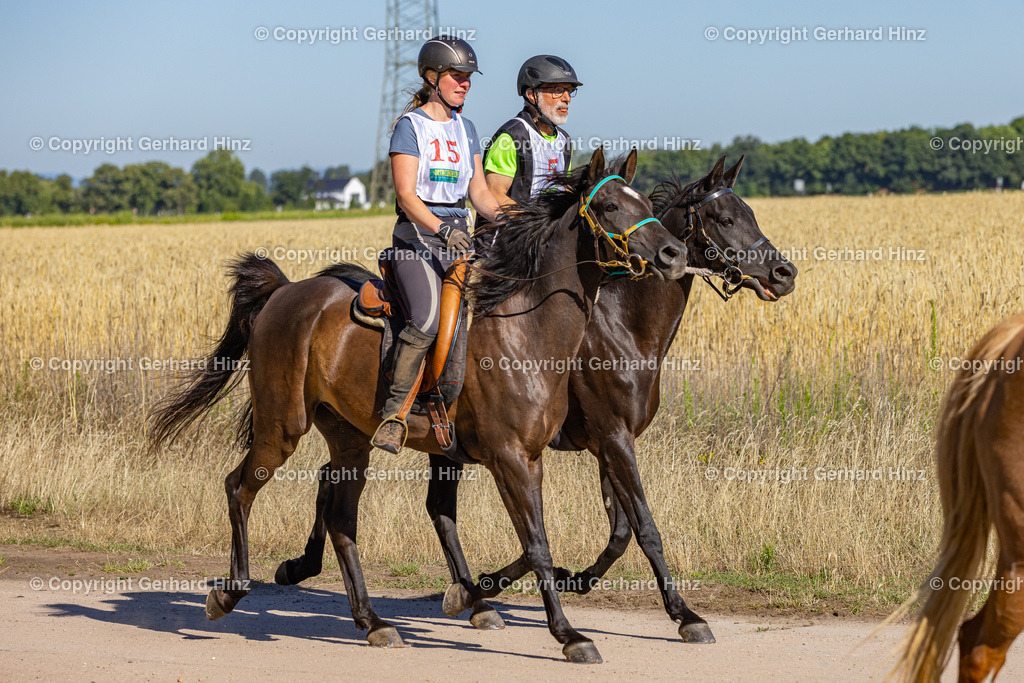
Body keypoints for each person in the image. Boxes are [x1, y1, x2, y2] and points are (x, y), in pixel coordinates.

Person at [372, 36, 504, 454]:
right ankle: (394, 415)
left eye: (468, 78)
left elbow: (480, 192)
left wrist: (510, 222)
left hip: (460, 236)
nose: (465, 84)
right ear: (432, 77)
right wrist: (442, 230)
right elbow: (407, 195)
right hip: (417, 238)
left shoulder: (467, 130)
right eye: (457, 77)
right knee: (428, 319)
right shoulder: (410, 127)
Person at [483, 55, 582, 210]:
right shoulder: (511, 137)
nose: (567, 98)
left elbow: (565, 191)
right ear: (532, 95)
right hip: (510, 231)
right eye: (558, 90)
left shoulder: (564, 140)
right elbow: (494, 194)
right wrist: (534, 224)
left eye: (570, 90)